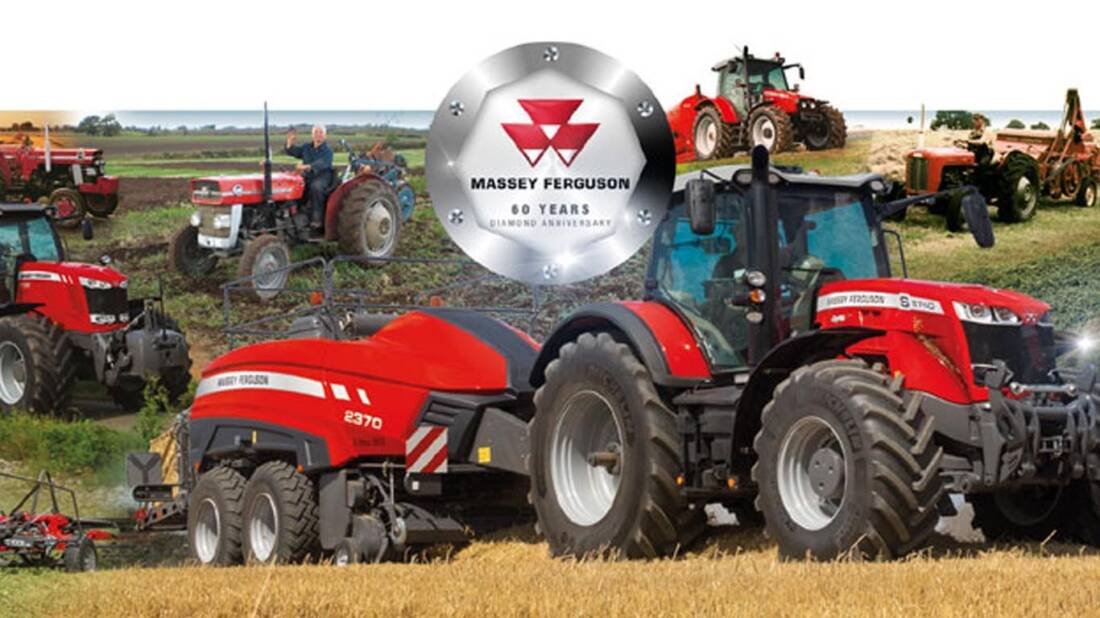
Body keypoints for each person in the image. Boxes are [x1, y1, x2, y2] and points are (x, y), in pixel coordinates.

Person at [285, 124, 334, 230]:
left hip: (323, 176)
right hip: (308, 176)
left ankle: (317, 219)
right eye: (316, 132)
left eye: (321, 132)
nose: (318, 135)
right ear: (312, 135)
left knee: (316, 187)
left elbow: (322, 163)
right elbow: (293, 151)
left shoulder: (328, 151)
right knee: (294, 185)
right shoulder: (307, 147)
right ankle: (294, 212)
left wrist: (307, 166)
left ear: (325, 135)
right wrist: (289, 141)